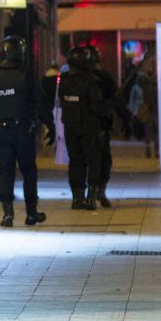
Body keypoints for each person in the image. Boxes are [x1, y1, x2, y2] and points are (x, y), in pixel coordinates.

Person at [0, 35, 55, 227]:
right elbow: (41, 102)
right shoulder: (26, 75)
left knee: (6, 171)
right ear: (20, 53)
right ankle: (31, 213)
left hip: (1, 132)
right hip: (23, 130)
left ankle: (8, 214)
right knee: (29, 171)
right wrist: (49, 124)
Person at [59, 47, 105, 210]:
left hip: (70, 127)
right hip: (88, 127)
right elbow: (97, 106)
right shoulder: (91, 81)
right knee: (93, 161)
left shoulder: (64, 80)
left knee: (75, 161)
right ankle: (91, 197)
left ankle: (77, 198)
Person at [86, 46, 128, 207]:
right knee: (102, 159)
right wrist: (125, 119)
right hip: (100, 125)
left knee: (82, 161)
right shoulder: (103, 77)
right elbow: (117, 100)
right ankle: (99, 192)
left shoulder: (74, 77)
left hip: (79, 126)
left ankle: (82, 195)